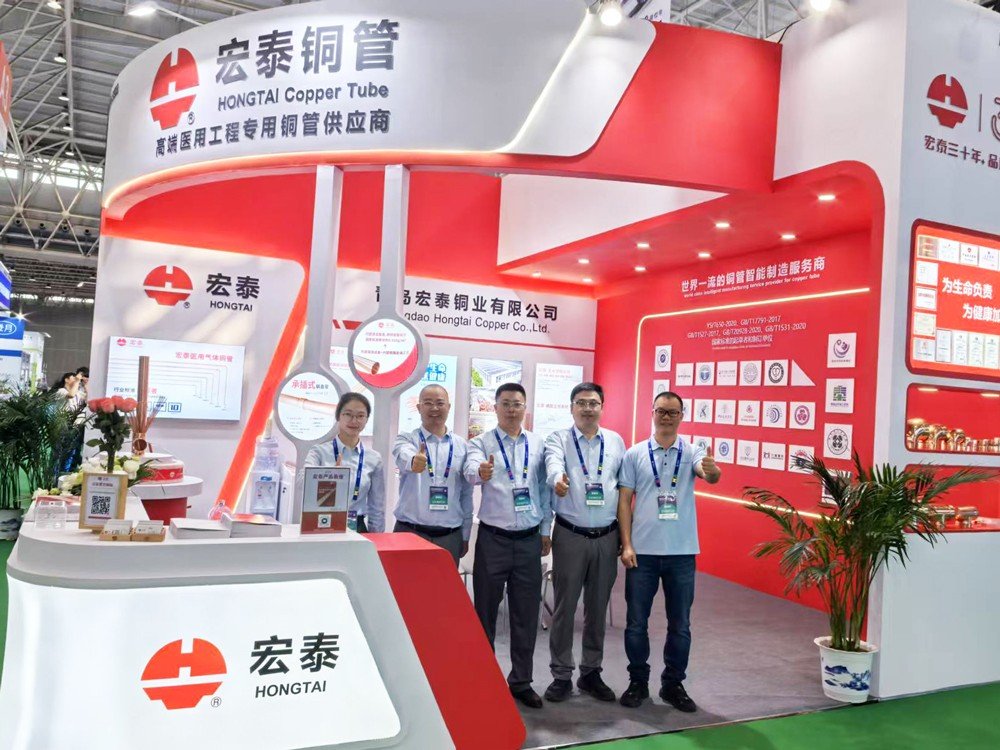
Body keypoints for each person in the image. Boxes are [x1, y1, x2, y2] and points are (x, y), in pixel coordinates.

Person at [616, 391, 721, 711]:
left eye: (673, 412)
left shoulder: (692, 452)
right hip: (643, 553)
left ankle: (673, 684)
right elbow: (624, 501)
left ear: (681, 416)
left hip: (681, 553)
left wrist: (712, 469)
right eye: (661, 411)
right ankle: (638, 682)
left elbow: (710, 475)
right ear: (652, 413)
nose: (666, 417)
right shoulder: (635, 453)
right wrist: (627, 543)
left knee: (680, 624)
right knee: (636, 622)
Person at [466, 382, 552, 709]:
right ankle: (483, 679)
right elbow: (471, 470)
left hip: (529, 540)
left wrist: (545, 529)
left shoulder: (539, 444)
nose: (512, 409)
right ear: (495, 407)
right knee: (485, 613)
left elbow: (544, 490)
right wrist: (481, 471)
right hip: (493, 539)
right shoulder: (481, 443)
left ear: (525, 407)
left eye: (517, 404)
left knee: (525, 615)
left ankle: (521, 681)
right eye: (505, 403)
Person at [542, 382, 626, 704]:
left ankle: (591, 672)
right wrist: (557, 480)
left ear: (602, 407)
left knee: (597, 607)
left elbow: (623, 489)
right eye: (581, 402)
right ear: (571, 407)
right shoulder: (558, 439)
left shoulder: (615, 441)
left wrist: (625, 537)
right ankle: (561, 674)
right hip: (570, 535)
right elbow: (553, 463)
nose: (588, 408)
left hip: (606, 537)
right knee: (565, 607)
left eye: (593, 403)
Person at [391, 385, 473, 565]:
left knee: (444, 584)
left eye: (440, 403)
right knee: (405, 583)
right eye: (428, 403)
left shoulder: (462, 446)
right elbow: (403, 454)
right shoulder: (406, 439)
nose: (434, 408)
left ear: (449, 407)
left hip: (449, 536)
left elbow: (466, 494)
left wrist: (466, 534)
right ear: (419, 408)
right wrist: (414, 461)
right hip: (409, 533)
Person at [305, 392, 385, 533]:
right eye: (348, 414)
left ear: (366, 420)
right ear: (338, 416)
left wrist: (377, 537)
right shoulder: (319, 452)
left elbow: (376, 506)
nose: (354, 421)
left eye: (360, 416)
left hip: (357, 526)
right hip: (323, 523)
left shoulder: (373, 458)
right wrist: (329, 476)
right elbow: (302, 482)